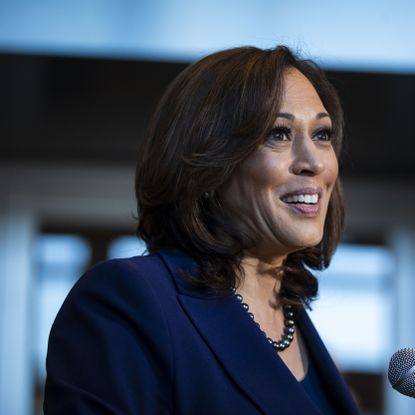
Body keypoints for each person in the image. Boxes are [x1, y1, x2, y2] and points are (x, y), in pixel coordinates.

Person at [44, 45, 360, 414]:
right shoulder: (127, 301)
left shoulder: (300, 326)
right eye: (278, 133)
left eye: (322, 134)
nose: (313, 162)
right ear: (209, 163)